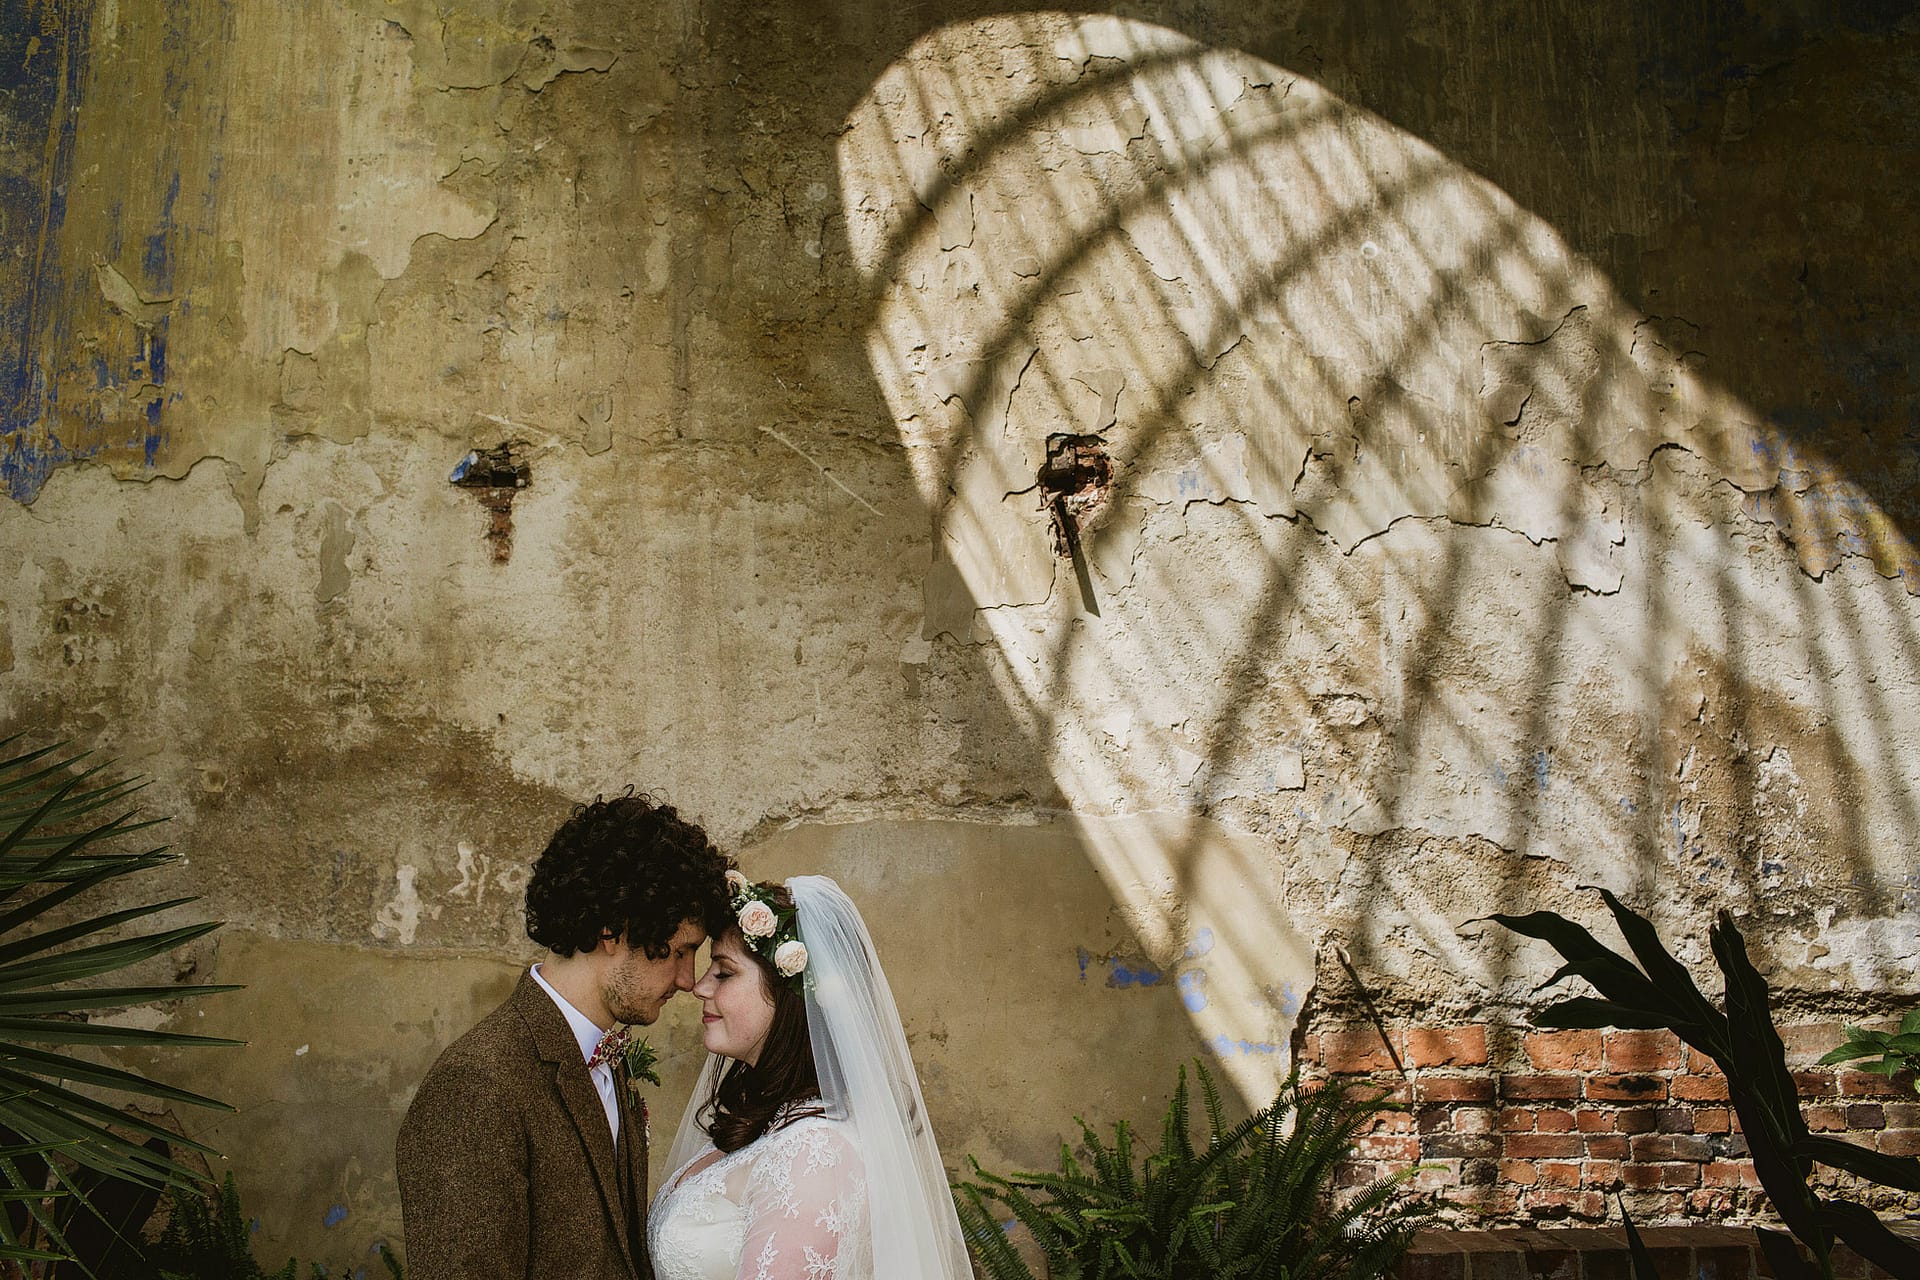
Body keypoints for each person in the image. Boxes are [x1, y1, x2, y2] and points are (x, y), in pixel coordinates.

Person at [397, 792, 734, 1280]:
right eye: (680, 951)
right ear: (612, 930)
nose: (688, 979)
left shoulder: (610, 1061)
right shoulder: (475, 1085)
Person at [647, 874, 972, 1280]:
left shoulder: (814, 1155)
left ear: (788, 998)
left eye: (724, 973)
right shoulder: (766, 1125)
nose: (698, 987)